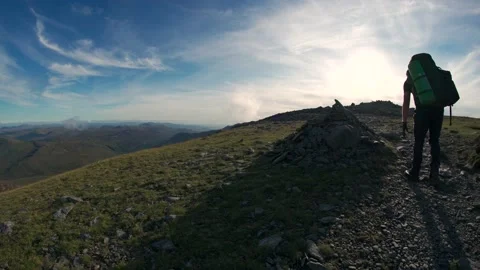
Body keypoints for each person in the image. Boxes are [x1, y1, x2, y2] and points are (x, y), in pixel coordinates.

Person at [402, 70, 444, 182]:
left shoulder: (409, 81)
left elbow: (406, 102)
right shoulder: (433, 75)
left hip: (422, 112)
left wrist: (404, 121)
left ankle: (414, 173)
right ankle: (435, 173)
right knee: (435, 140)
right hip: (439, 110)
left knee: (419, 141)